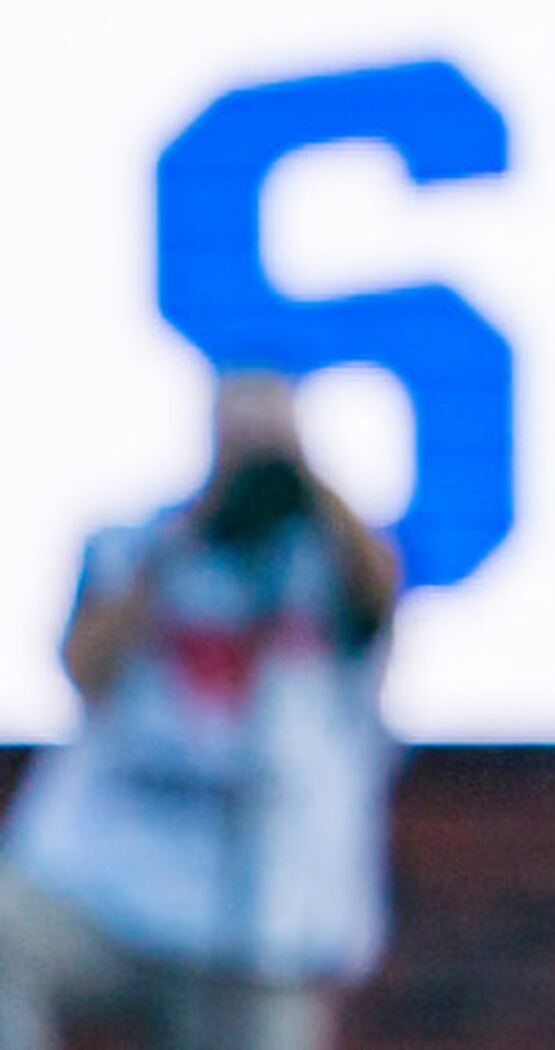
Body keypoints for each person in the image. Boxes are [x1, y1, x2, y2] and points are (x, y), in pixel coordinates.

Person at [0, 370, 402, 1050]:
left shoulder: (330, 564)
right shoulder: (147, 548)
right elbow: (84, 670)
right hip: (112, 884)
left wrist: (302, 482)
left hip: (266, 917)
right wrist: (196, 527)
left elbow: (379, 598)